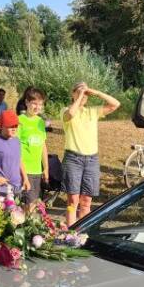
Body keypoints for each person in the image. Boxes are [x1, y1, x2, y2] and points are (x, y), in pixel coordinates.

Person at [61, 82, 120, 226]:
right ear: (73, 94)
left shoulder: (92, 111)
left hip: (91, 159)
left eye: (86, 94)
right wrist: (80, 95)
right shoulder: (65, 110)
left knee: (86, 201)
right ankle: (70, 231)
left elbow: (115, 104)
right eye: (79, 92)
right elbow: (70, 114)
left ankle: (82, 232)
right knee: (72, 201)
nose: (83, 96)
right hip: (73, 158)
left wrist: (97, 93)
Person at [16, 88, 49, 203]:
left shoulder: (41, 122)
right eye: (34, 103)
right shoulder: (20, 120)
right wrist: (22, 172)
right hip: (23, 170)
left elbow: (43, 146)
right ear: (26, 102)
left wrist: (46, 168)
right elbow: (15, 148)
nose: (37, 107)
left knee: (33, 204)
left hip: (37, 170)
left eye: (40, 104)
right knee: (25, 205)